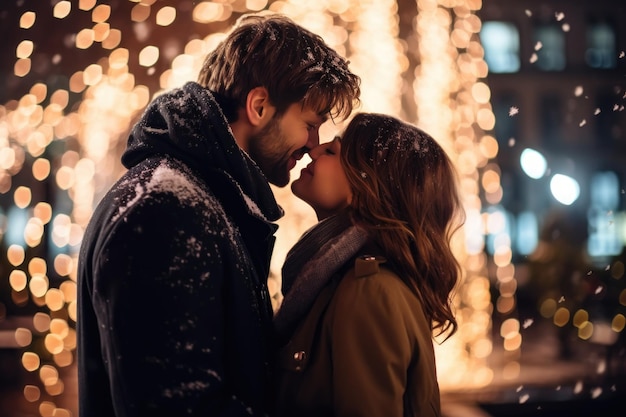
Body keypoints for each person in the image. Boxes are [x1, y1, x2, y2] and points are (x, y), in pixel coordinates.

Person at [77, 13, 360, 417]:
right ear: (259, 106)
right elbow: (179, 406)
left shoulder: (202, 199)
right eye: (309, 124)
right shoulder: (167, 210)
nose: (313, 145)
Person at [274, 113, 464, 417]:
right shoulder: (346, 280)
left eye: (333, 151)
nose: (313, 149)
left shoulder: (369, 291)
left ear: (366, 186)